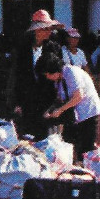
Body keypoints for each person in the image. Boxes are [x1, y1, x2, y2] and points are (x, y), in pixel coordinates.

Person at [7, 10, 64, 141]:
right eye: (46, 29)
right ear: (37, 30)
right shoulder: (23, 49)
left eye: (50, 29)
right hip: (27, 100)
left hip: (48, 100)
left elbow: (58, 73)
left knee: (48, 137)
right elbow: (17, 76)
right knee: (29, 136)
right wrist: (16, 102)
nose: (49, 32)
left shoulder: (54, 48)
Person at [39, 53, 100, 160]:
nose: (47, 77)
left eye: (47, 74)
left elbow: (78, 97)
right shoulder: (58, 81)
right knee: (69, 144)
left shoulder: (71, 72)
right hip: (75, 116)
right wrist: (50, 110)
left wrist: (60, 110)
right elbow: (60, 99)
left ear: (53, 70)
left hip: (88, 113)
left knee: (86, 148)